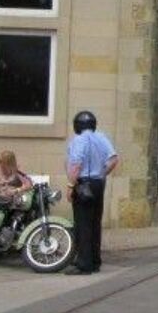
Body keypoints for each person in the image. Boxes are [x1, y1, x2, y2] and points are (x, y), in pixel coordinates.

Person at [66, 110, 118, 275]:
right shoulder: (101, 138)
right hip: (98, 183)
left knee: (83, 224)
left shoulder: (79, 140)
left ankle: (84, 264)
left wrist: (70, 185)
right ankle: (95, 261)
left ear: (77, 125)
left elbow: (76, 164)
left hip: (83, 184)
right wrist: (102, 174)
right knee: (95, 222)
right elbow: (114, 159)